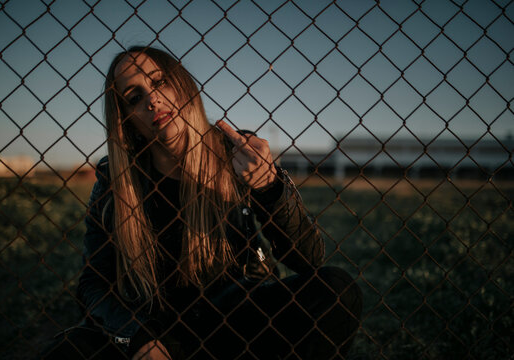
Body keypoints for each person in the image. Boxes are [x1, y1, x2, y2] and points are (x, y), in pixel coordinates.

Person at [41, 46, 362, 360]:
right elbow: (93, 283)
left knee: (334, 290)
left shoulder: (234, 152)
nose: (152, 99)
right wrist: (137, 336)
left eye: (159, 81)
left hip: (239, 317)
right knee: (67, 350)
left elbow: (309, 259)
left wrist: (269, 186)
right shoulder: (115, 181)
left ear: (183, 84)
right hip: (159, 330)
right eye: (135, 97)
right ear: (126, 119)